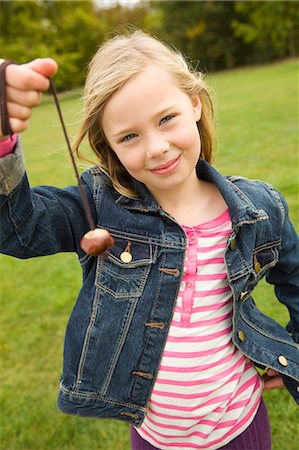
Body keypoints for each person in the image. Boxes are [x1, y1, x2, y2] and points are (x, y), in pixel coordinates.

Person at [0, 30, 298, 450]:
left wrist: (289, 348)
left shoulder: (256, 206)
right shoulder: (100, 208)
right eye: (129, 136)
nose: (156, 147)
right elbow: (17, 229)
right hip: (154, 437)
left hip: (241, 425)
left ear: (194, 103)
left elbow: (295, 275)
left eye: (166, 119)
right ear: (110, 146)